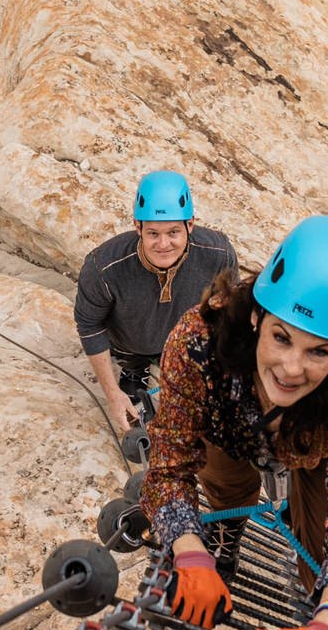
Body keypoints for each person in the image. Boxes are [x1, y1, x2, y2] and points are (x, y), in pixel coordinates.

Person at [139, 214, 328, 630]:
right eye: (281, 337)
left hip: (314, 451)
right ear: (257, 316)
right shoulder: (200, 340)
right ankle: (223, 537)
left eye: (320, 352)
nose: (292, 368)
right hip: (228, 430)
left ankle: (313, 597)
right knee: (223, 482)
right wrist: (188, 550)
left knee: (322, 555)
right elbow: (171, 459)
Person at [74, 171, 238, 441]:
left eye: (173, 232)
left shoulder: (217, 254)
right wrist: (113, 394)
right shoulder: (103, 267)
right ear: (137, 227)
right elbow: (90, 324)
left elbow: (228, 311)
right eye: (152, 233)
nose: (163, 244)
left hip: (185, 343)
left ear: (190, 225)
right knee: (132, 377)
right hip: (129, 343)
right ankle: (134, 371)